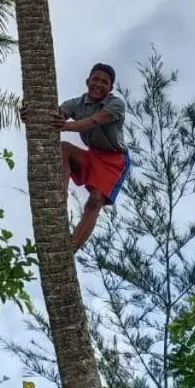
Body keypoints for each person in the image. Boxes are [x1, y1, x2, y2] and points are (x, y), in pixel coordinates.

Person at [56, 63, 130, 252]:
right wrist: (33, 116)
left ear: (110, 89)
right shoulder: (77, 103)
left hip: (114, 159)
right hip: (93, 154)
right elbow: (57, 114)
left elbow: (93, 121)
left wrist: (65, 126)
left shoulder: (116, 104)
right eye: (95, 79)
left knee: (95, 200)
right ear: (87, 81)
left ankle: (73, 244)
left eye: (104, 82)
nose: (98, 84)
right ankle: (59, 195)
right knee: (64, 148)